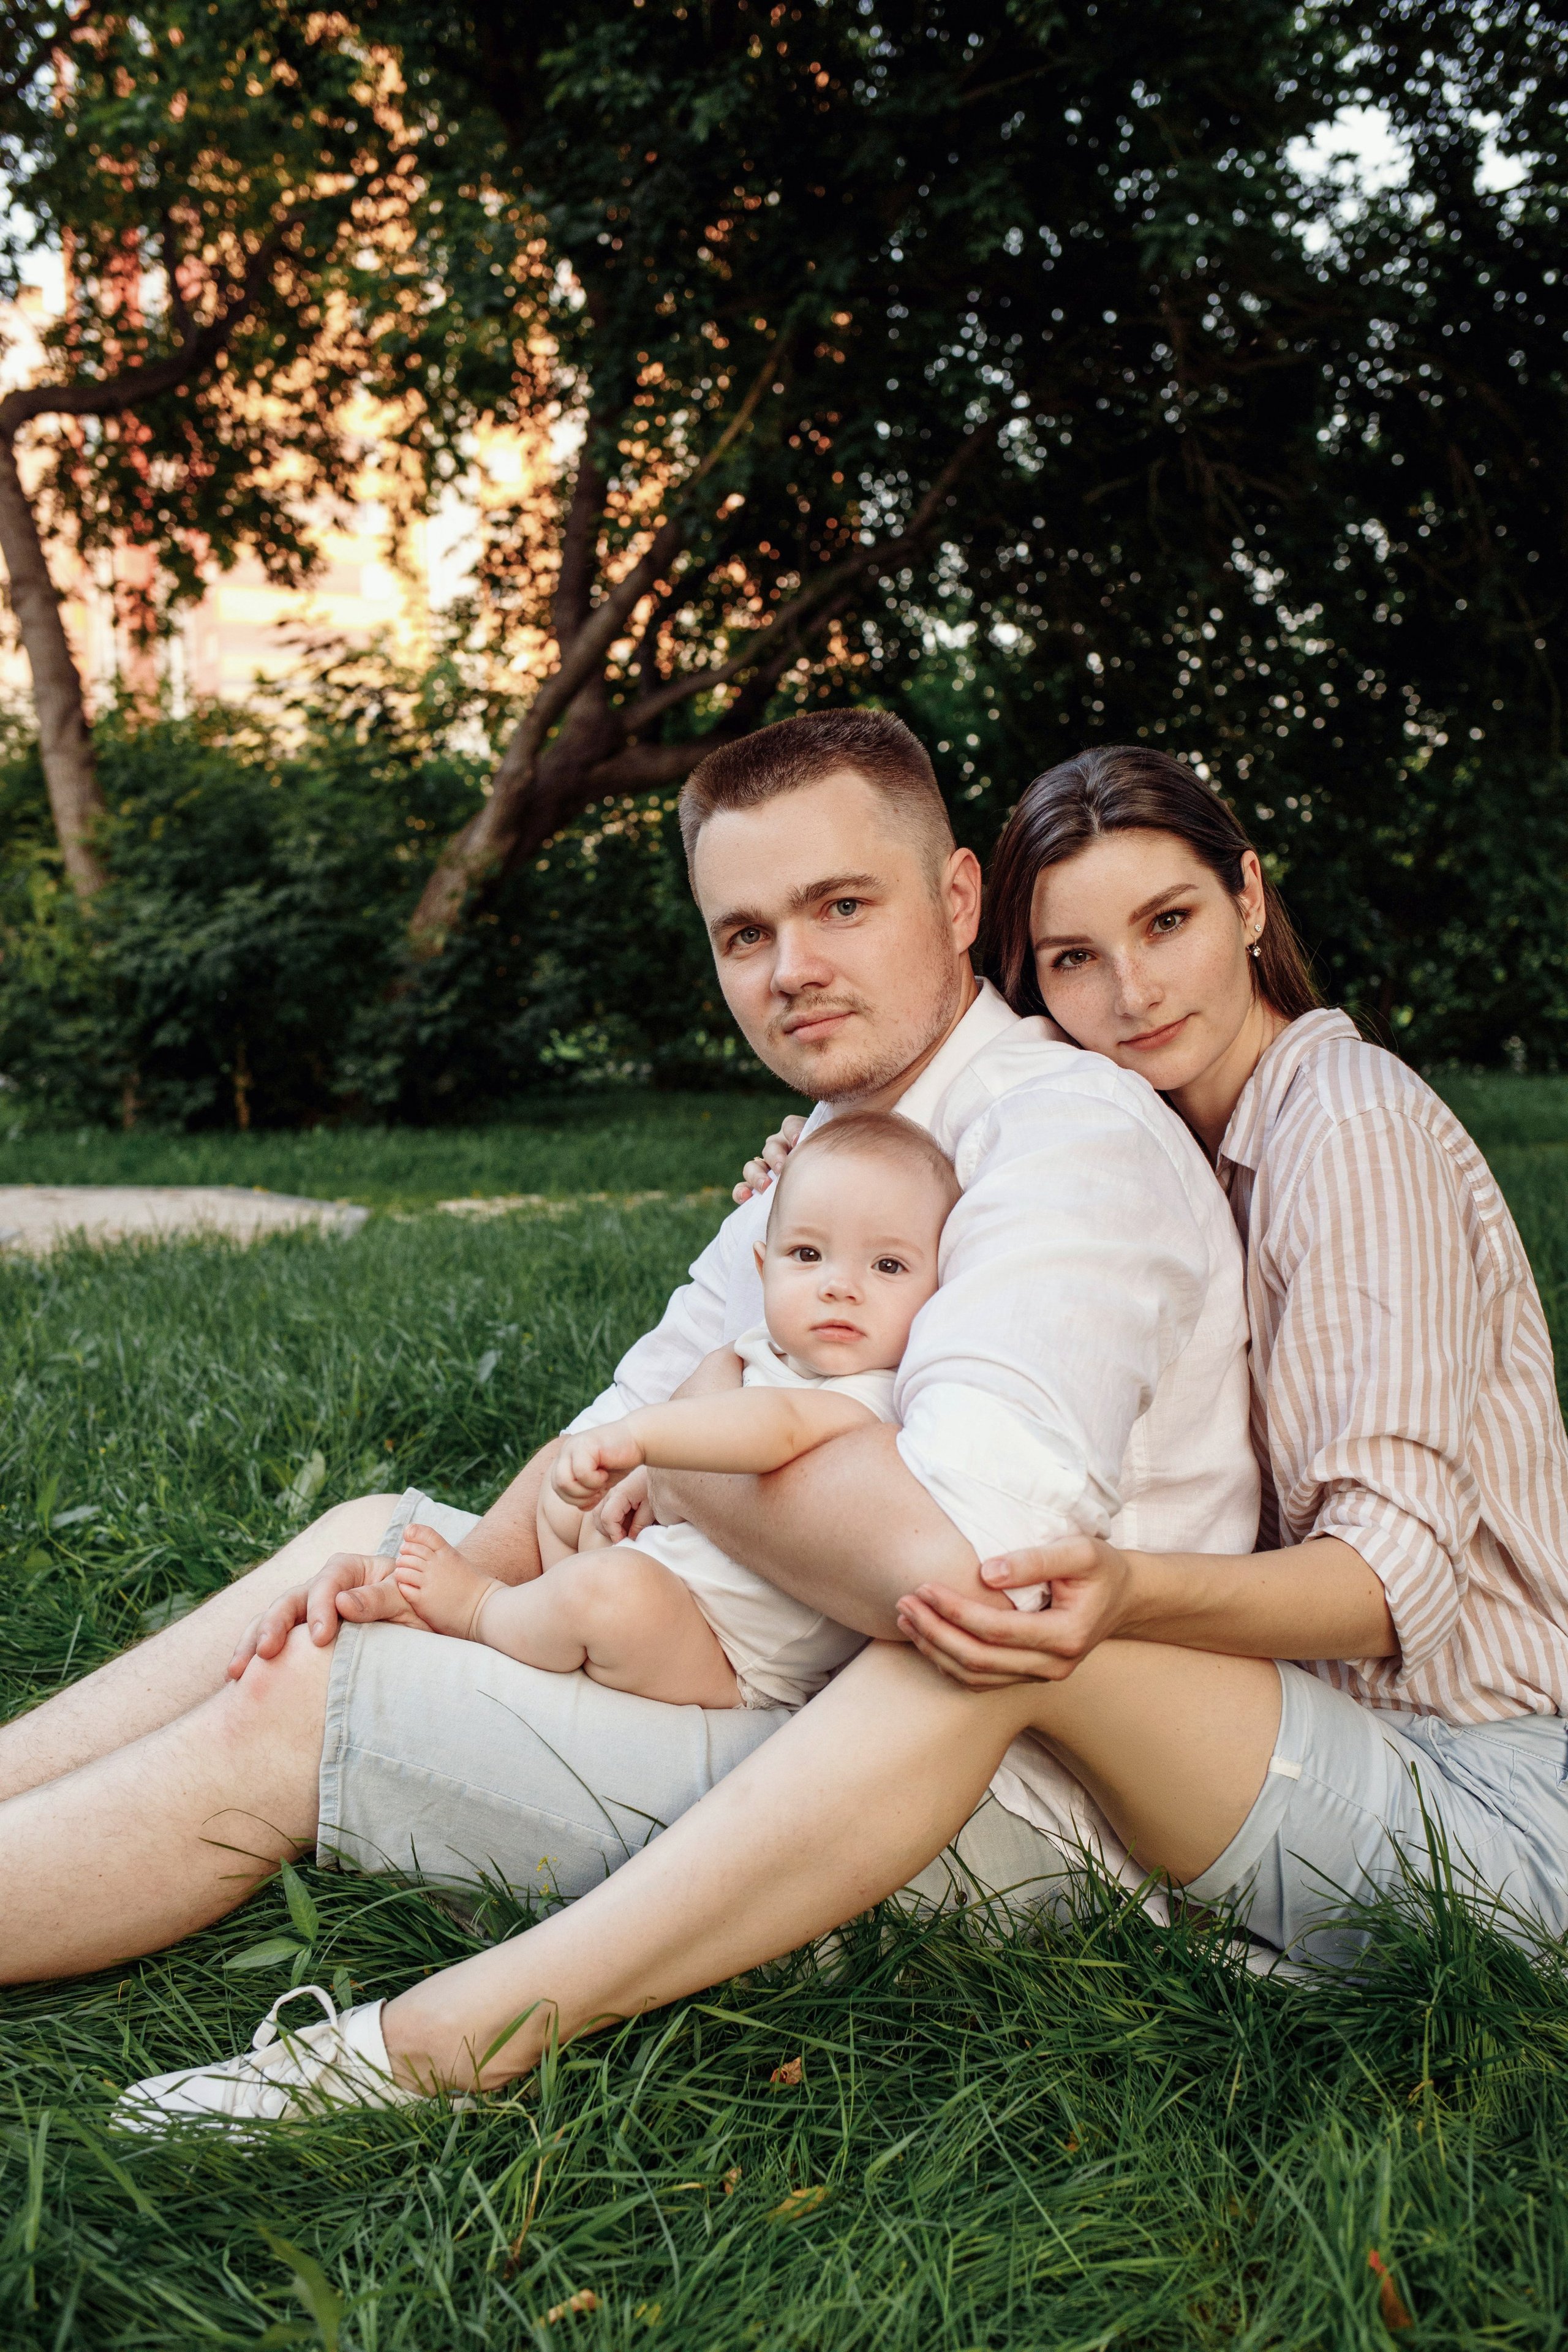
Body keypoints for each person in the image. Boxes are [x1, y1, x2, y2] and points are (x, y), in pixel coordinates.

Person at [108, 736, 1568, 2125]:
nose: (1127, 990)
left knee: (1008, 1615)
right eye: (1071, 958)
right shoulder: (1163, 1124)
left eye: (1170, 919)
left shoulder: (1342, 1118)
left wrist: (1121, 1588)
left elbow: (1392, 1585)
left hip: (1474, 1788)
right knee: (999, 1605)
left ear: (1249, 896)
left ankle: (448, 2037)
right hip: (1275, 1751)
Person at [385, 1112, 963, 1713]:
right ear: (765, 1269)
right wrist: (636, 1481)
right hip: (668, 1579)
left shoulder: (876, 1395)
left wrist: (641, 1440)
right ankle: (549, 1610)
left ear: (941, 1289)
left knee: (607, 1593)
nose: (839, 1286)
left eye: (887, 1266)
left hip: (726, 1656)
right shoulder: (765, 1348)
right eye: (808, 1253)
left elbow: (769, 1428)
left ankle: (482, 1612)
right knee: (567, 1503)